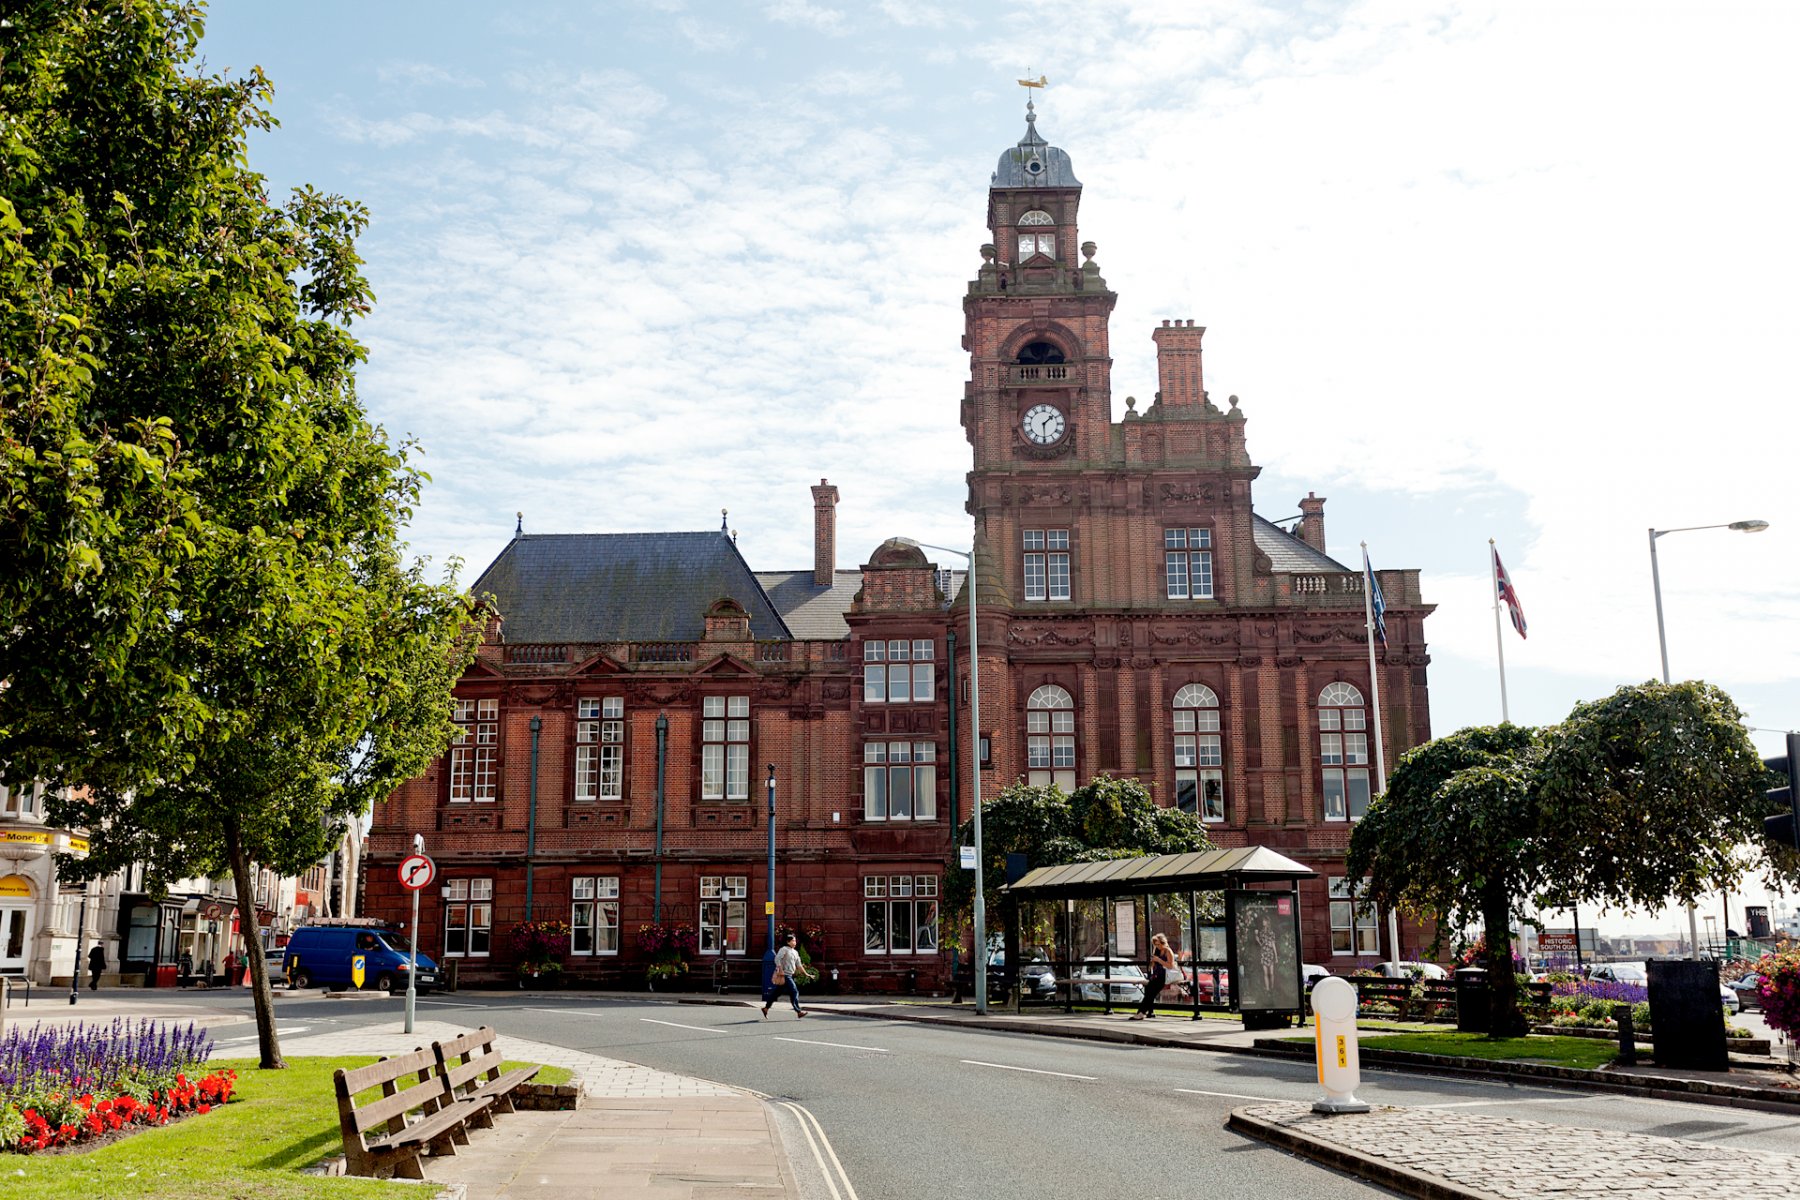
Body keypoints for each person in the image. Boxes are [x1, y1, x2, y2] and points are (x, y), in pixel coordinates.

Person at [1131, 933, 1179, 1020]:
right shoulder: (1156, 950)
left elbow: (1170, 966)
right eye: (1155, 944)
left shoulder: (1168, 951)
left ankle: (1141, 1013)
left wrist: (1159, 960)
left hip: (1164, 976)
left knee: (1150, 994)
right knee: (1148, 993)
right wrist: (1153, 962)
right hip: (1156, 975)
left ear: (1163, 943)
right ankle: (1141, 1013)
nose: (1157, 946)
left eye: (1159, 944)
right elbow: (1154, 964)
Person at [761, 932, 807, 1019]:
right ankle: (798, 1011)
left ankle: (766, 1008)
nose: (795, 942)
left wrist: (806, 974)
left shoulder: (795, 952)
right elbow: (777, 959)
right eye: (793, 941)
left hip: (789, 975)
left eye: (795, 940)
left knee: (776, 993)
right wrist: (780, 968)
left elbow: (799, 965)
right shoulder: (784, 949)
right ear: (788, 942)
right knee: (794, 991)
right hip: (785, 975)